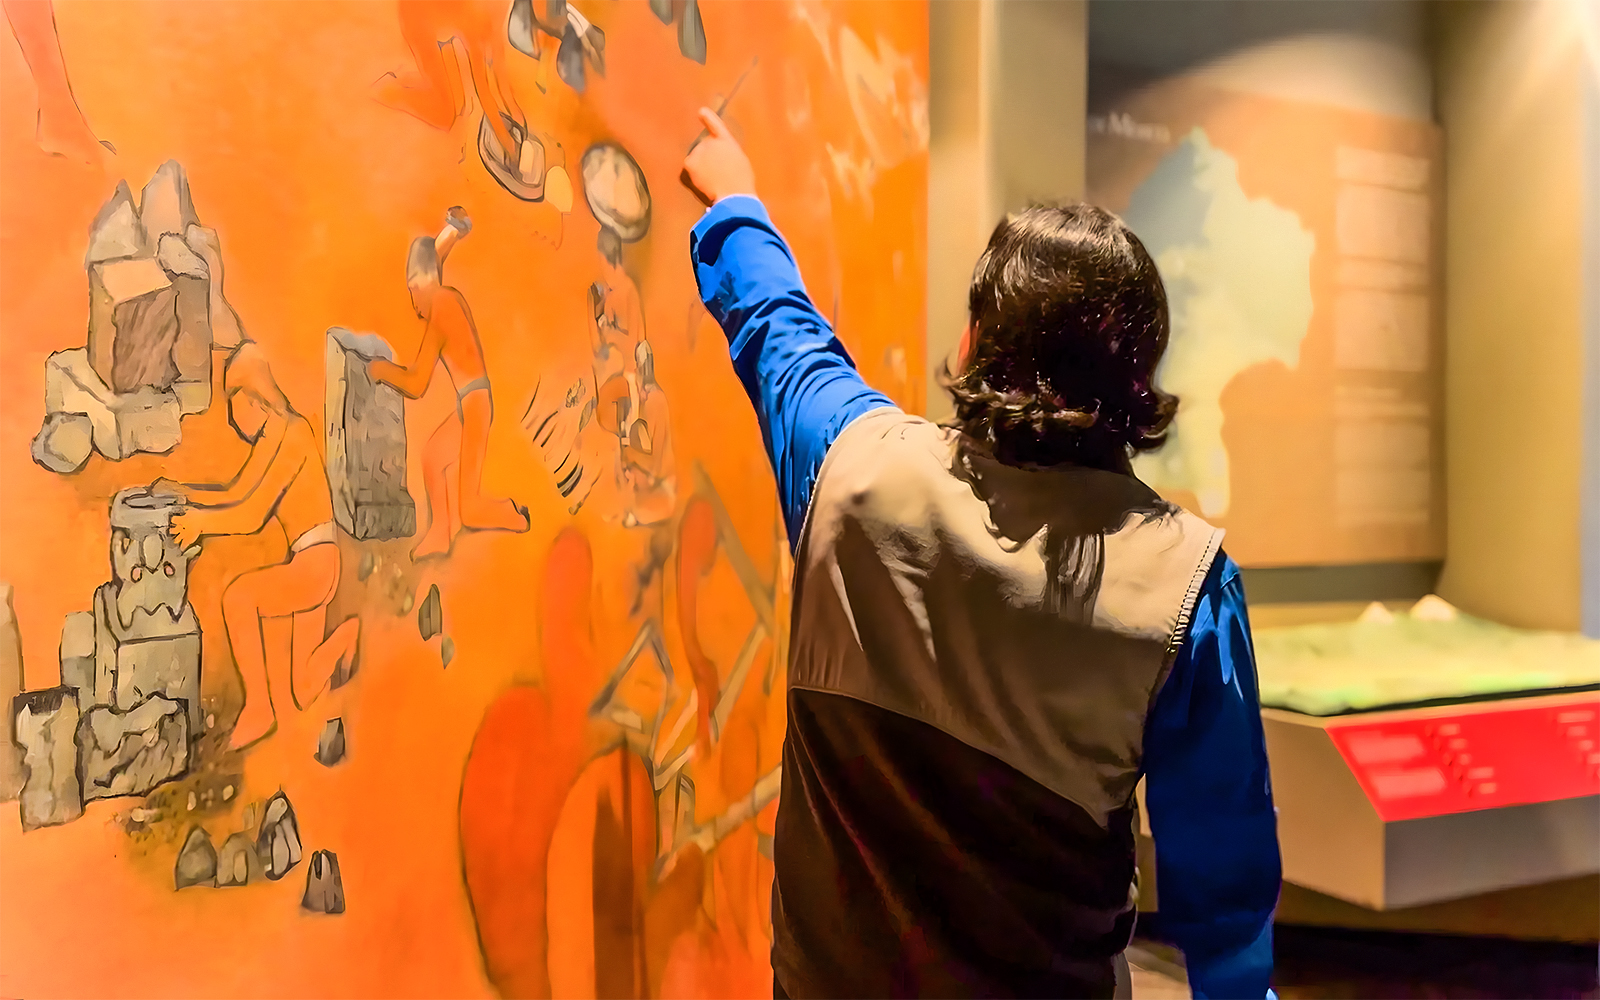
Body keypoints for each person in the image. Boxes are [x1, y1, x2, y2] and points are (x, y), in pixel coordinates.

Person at [681, 108, 1281, 1000]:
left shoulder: (849, 470)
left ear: (973, 344)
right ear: (1140, 386)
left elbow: (778, 327)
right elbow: (1223, 905)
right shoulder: (1186, 589)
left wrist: (734, 196)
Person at [166, 344, 359, 750]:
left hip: (316, 563)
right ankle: (347, 636)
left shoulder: (293, 433)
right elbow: (236, 491)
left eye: (237, 407)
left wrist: (201, 524)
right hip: (313, 563)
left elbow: (253, 514)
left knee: (239, 598)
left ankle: (259, 709)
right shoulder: (274, 435)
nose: (236, 423)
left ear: (255, 397)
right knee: (305, 689)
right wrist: (186, 496)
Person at [370, 207, 529, 559]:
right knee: (431, 457)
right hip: (470, 402)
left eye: (412, 295)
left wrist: (380, 371)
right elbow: (431, 262)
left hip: (475, 405)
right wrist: (451, 234)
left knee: (469, 510)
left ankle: (514, 515)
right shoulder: (443, 294)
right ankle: (440, 534)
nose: (414, 309)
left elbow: (416, 383)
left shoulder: (440, 308)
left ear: (417, 285)